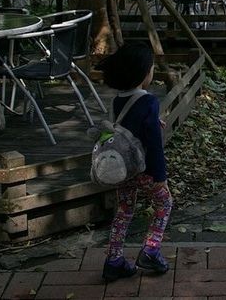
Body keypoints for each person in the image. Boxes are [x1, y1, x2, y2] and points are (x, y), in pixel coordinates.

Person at [97, 42, 173, 282]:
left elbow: (127, 128)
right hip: (144, 169)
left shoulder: (118, 100)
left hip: (123, 169)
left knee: (124, 210)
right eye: (151, 69)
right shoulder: (149, 101)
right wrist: (159, 177)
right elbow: (153, 144)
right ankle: (151, 249)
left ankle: (114, 259)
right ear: (143, 73)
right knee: (164, 203)